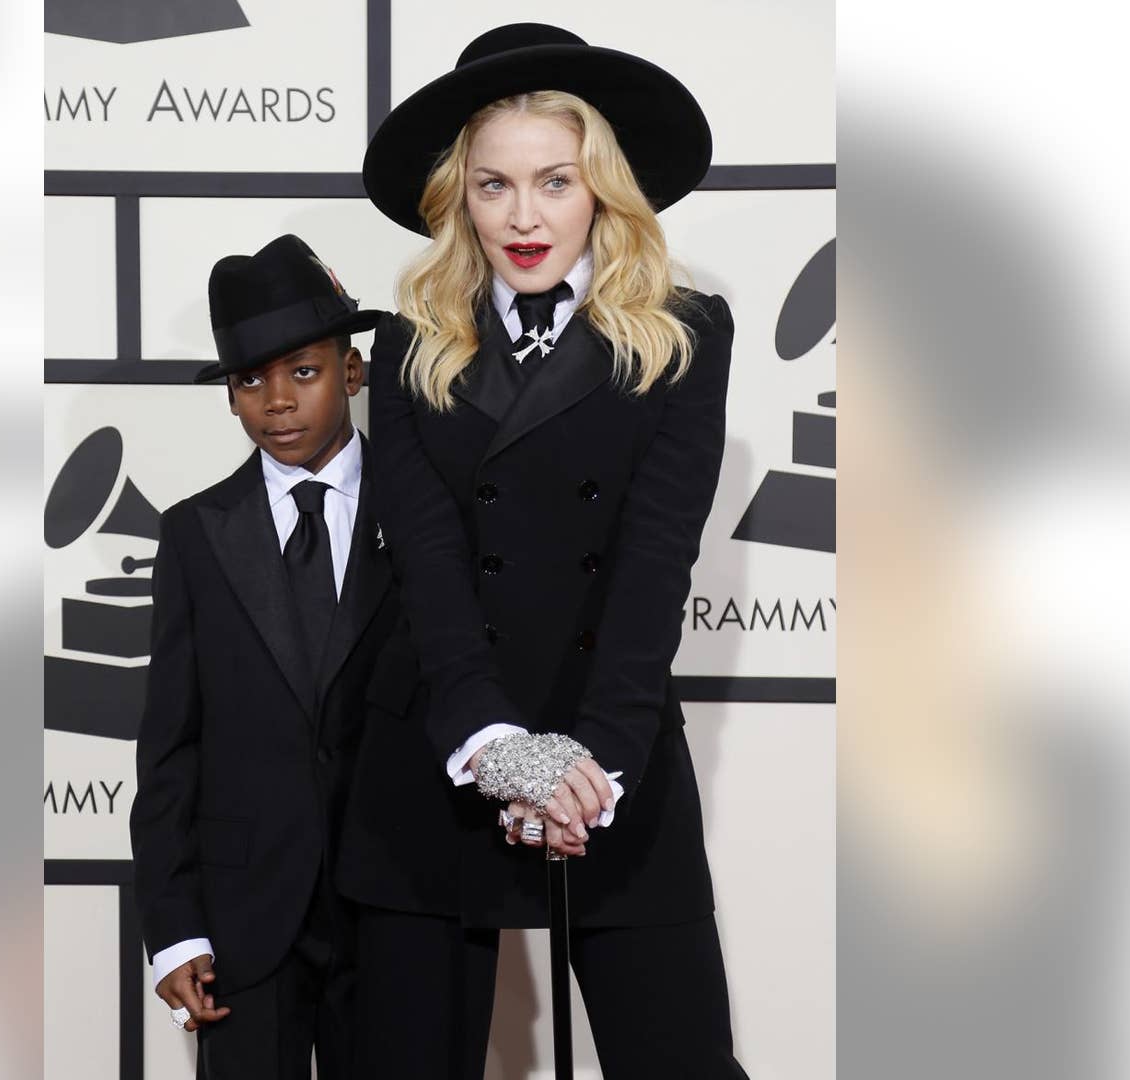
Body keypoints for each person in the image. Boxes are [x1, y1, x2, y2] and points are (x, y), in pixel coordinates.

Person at [334, 22, 749, 1079]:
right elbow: (427, 565)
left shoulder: (685, 333)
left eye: (555, 182)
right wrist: (498, 749)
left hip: (610, 743)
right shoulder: (409, 343)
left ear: (601, 189)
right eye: (494, 185)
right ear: (458, 198)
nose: (524, 217)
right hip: (441, 745)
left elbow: (656, 564)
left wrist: (587, 768)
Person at [130, 234, 399, 1080]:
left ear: (352, 371)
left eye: (303, 372)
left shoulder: (425, 515)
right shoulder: (194, 534)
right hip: (243, 921)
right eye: (251, 381)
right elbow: (170, 747)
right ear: (230, 397)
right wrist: (174, 928)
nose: (277, 402)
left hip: (400, 906)